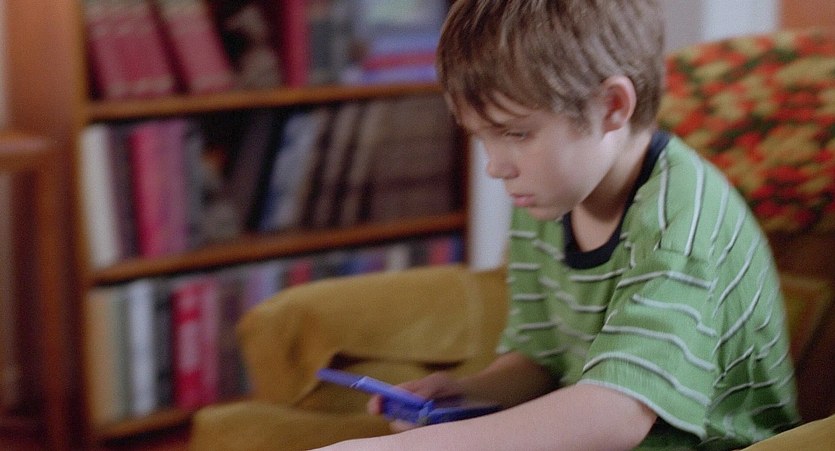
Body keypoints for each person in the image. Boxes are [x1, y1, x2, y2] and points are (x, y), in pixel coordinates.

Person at [316, 0, 800, 449]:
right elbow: (542, 358)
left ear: (612, 107)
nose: (495, 166)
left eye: (516, 133)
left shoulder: (678, 224)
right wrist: (468, 393)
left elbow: (619, 413)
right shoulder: (547, 195)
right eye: (483, 137)